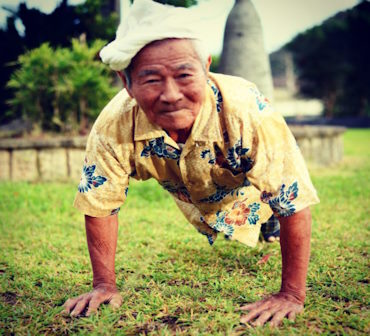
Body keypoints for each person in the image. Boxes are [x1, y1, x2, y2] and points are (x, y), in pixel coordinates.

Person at [63, 0, 319, 327]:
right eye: (152, 79)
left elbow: (292, 199)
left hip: (243, 184)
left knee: (270, 210)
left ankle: (267, 226)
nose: (171, 95)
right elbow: (100, 204)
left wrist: (291, 295)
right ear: (126, 82)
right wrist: (103, 286)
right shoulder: (114, 126)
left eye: (184, 75)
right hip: (192, 195)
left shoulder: (247, 111)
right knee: (228, 219)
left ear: (206, 67)